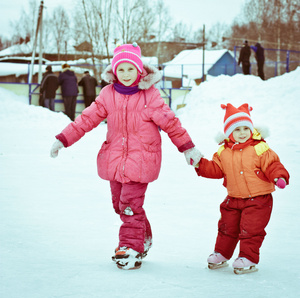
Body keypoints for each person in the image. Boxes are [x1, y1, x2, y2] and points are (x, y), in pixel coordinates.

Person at [50, 43, 203, 270]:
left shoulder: (150, 96)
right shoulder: (107, 95)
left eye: (131, 69)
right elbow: (86, 119)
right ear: (114, 72)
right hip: (114, 160)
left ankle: (130, 248)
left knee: (130, 206)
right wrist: (64, 139)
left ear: (140, 70)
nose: (126, 74)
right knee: (120, 206)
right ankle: (142, 238)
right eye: (121, 70)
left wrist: (188, 148)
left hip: (141, 161)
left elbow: (171, 124)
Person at [194, 103, 289, 274]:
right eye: (237, 129)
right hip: (234, 198)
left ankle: (248, 258)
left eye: (246, 128)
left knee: (251, 229)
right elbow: (215, 169)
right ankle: (222, 254)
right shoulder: (223, 151)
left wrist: (279, 176)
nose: (242, 133)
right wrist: (199, 163)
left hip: (259, 199)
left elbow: (272, 164)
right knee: (226, 227)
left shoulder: (260, 148)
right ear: (229, 132)